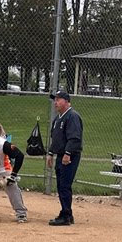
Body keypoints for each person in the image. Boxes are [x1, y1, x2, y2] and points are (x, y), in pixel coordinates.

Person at [46, 91, 83, 226]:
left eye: (58, 100)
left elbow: (75, 138)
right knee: (61, 185)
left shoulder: (72, 116)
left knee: (65, 185)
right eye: (55, 100)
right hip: (60, 155)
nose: (55, 103)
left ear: (67, 102)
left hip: (69, 156)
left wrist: (67, 153)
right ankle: (67, 213)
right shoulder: (58, 118)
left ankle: (66, 215)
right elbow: (55, 138)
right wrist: (51, 153)